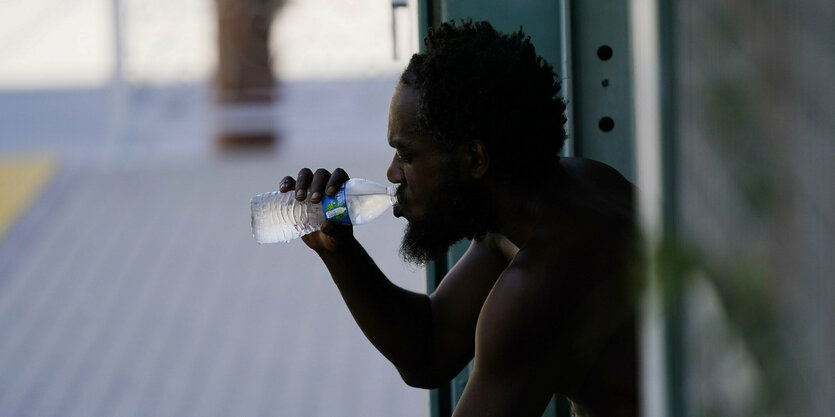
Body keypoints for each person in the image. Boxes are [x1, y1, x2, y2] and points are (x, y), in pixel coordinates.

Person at [279, 20, 638, 417]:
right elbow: (430, 348)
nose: (393, 174)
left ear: (474, 159)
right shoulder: (572, 186)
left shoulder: (542, 285)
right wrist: (338, 250)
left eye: (407, 155)